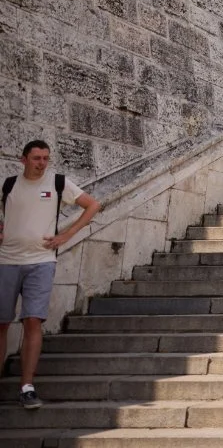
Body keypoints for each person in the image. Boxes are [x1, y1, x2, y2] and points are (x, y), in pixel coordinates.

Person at [1, 140, 101, 409]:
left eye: (45, 158)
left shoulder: (58, 183)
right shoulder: (9, 184)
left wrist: (67, 234)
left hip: (41, 262)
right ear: (23, 160)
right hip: (6, 262)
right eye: (36, 158)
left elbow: (92, 205)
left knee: (33, 320)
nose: (41, 163)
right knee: (1, 323)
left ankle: (27, 386)